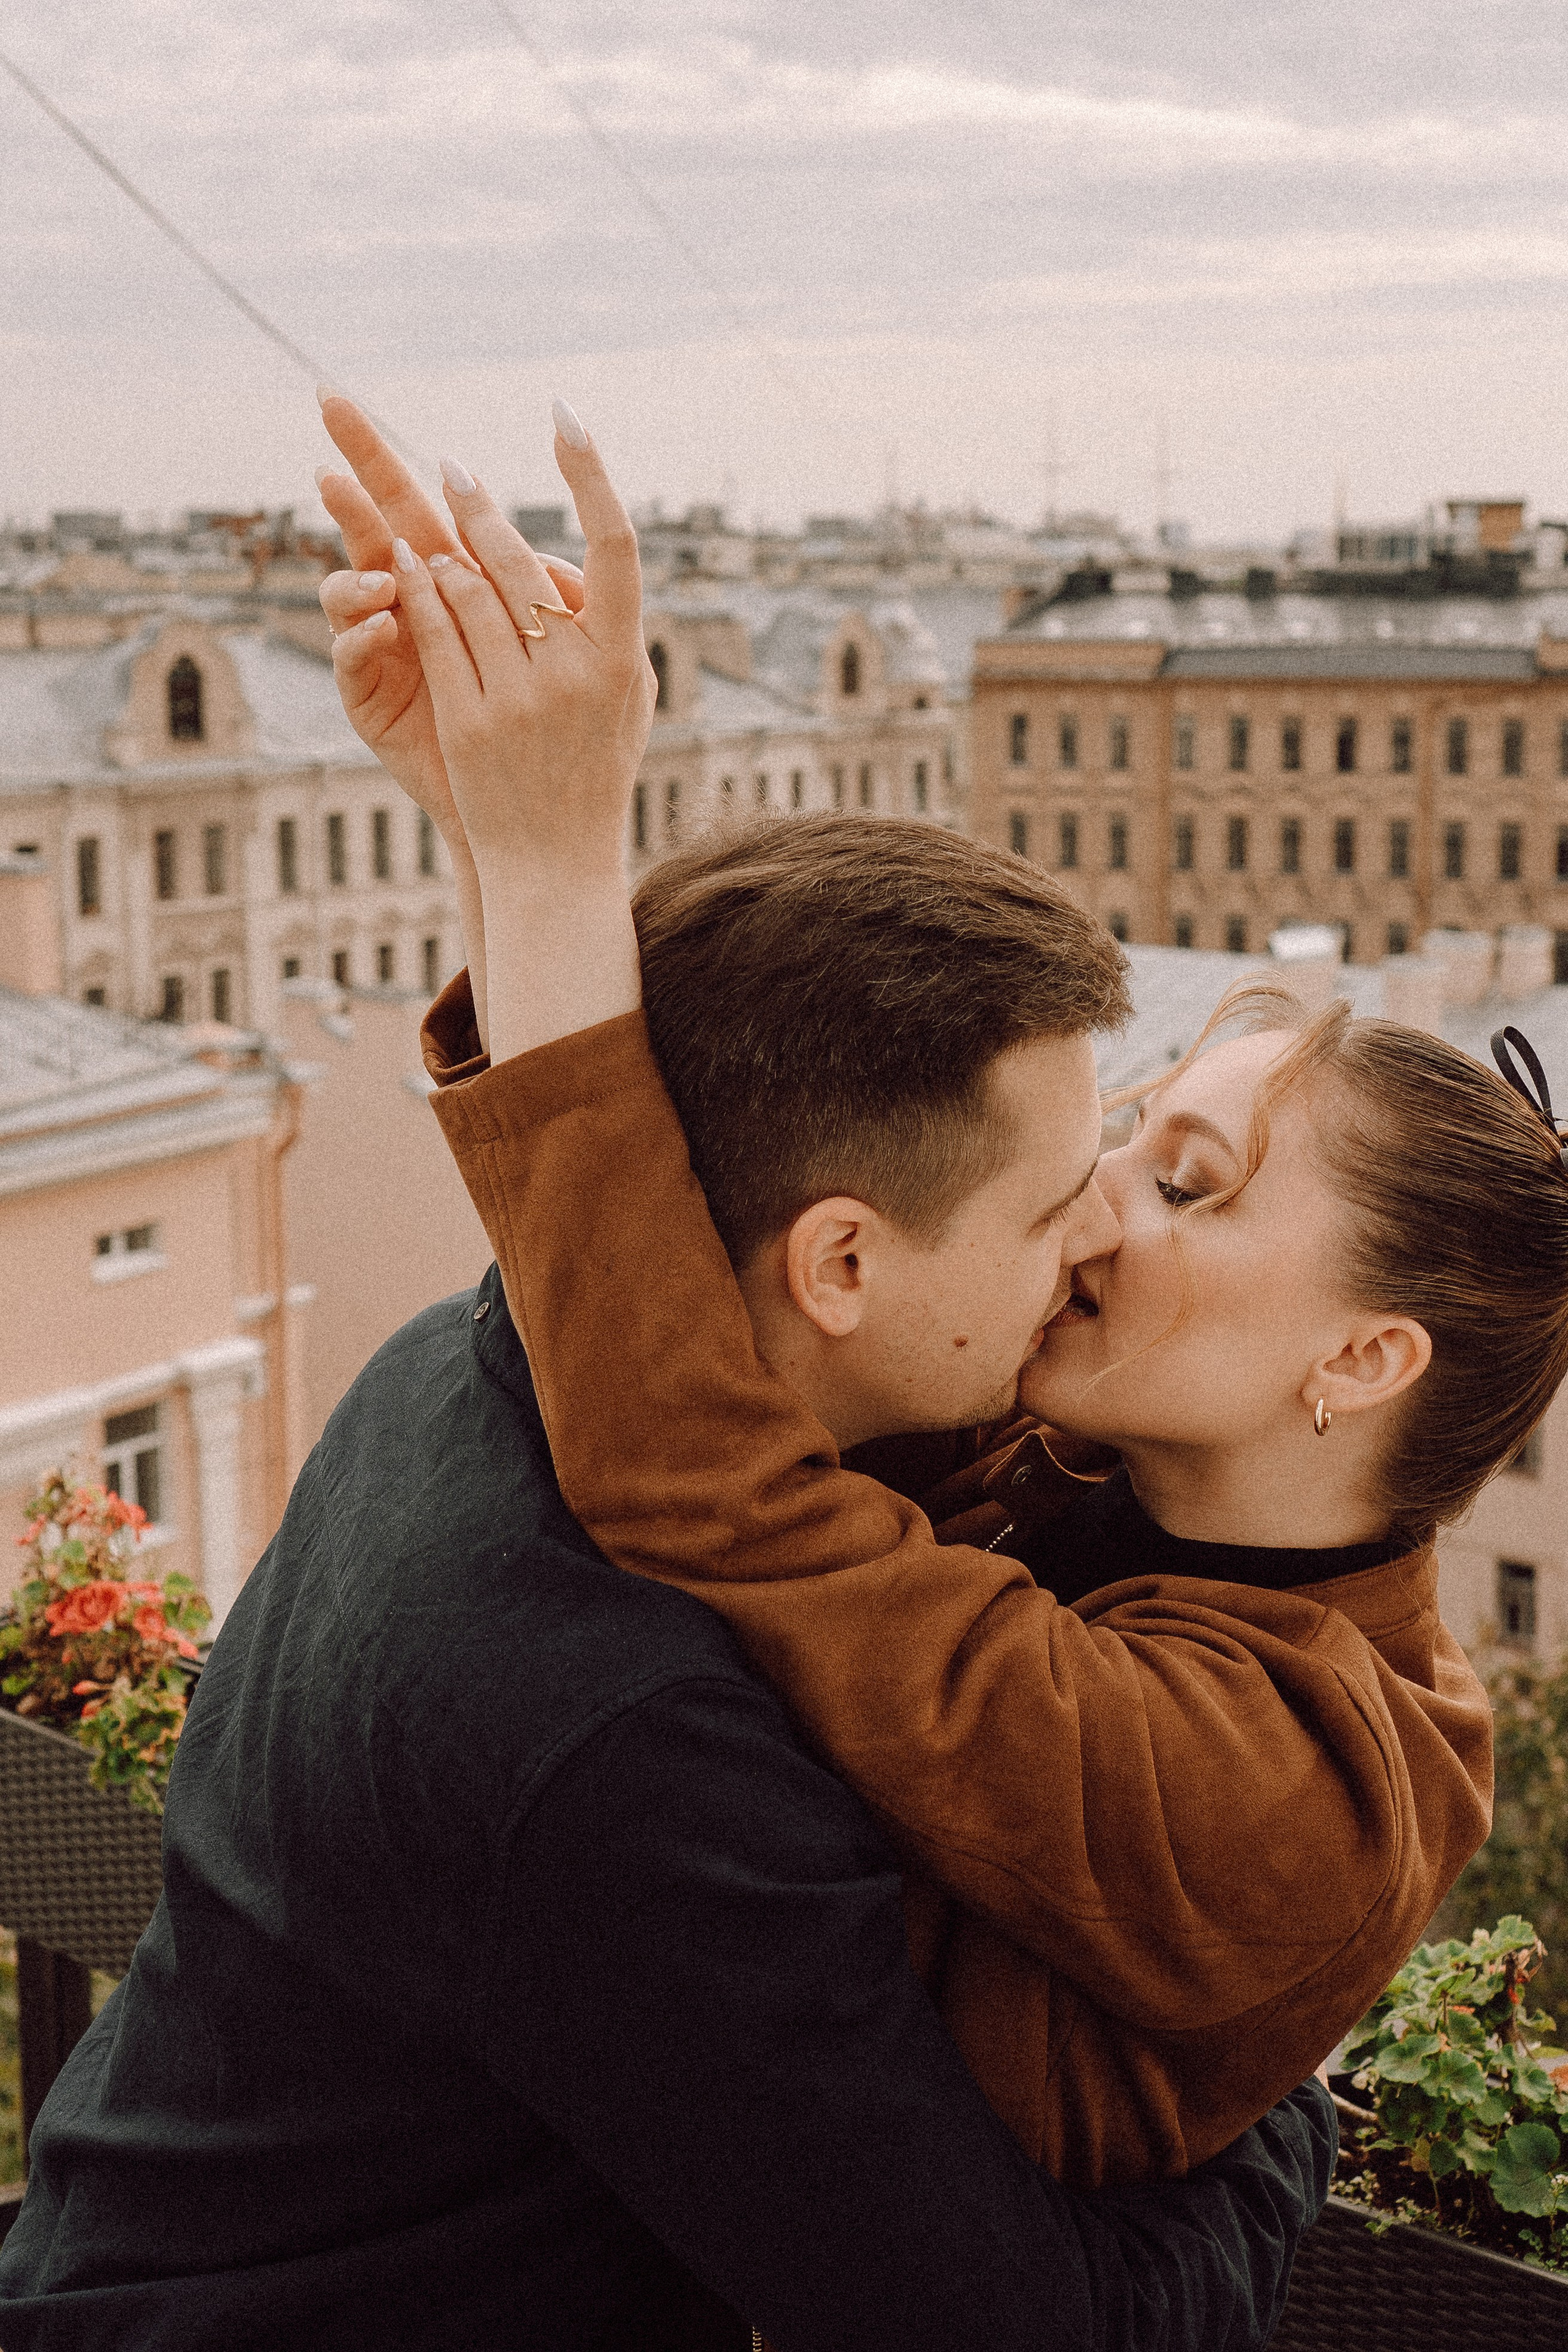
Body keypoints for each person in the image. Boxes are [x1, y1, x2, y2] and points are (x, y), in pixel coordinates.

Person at [0, 432, 1338, 2352]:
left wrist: (528, 844)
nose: (1104, 1231)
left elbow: (599, 1178)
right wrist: (1278, 2086)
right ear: (842, 1265)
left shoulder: (466, 1366)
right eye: (1059, 1201)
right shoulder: (622, 1731)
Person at [314, 400, 1512, 2202]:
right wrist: (499, 824)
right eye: (1122, 1141)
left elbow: (707, 1472)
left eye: (1187, 1184)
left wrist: (549, 858)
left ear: (1363, 1357)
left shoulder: (1299, 1779)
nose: (1092, 1211)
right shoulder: (1093, 1466)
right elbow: (719, 1257)